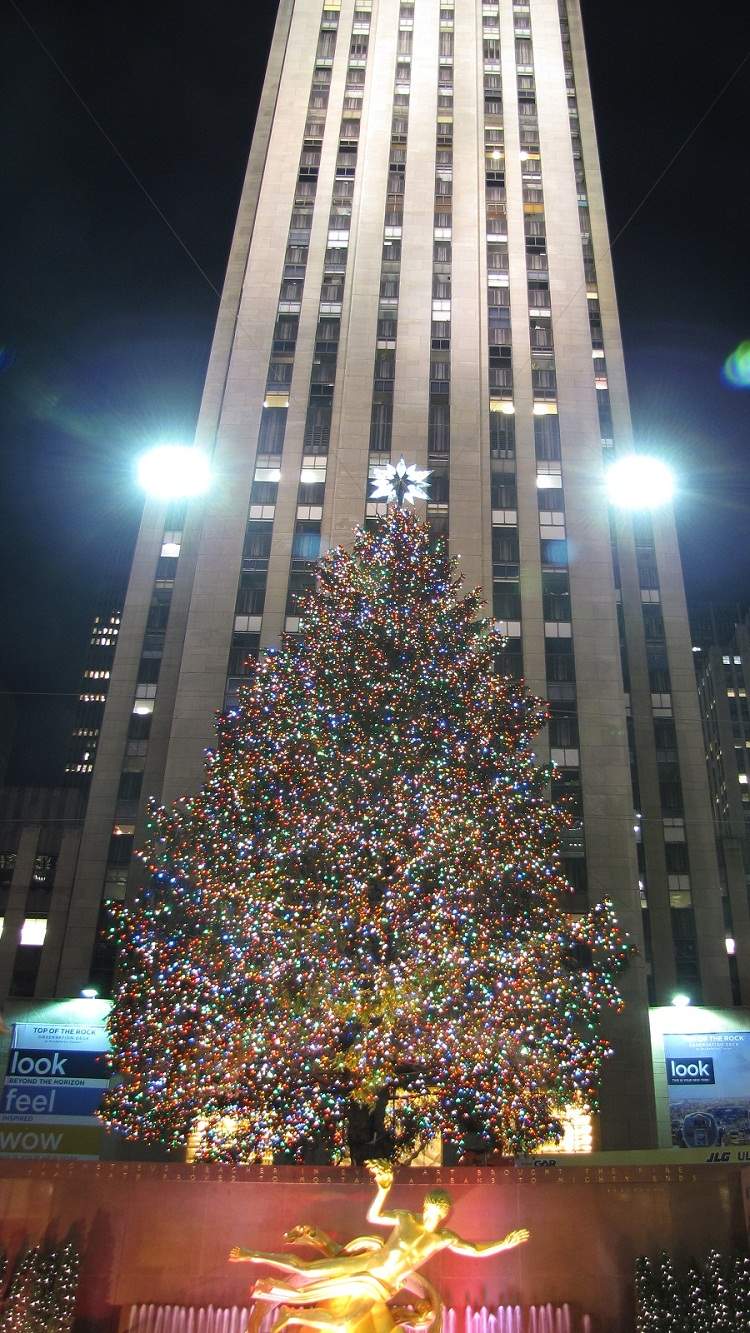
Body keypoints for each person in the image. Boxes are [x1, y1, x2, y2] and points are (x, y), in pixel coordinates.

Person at [230, 1159, 529, 1333]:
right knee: (308, 1269)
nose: (432, 1218)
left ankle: (290, 1316)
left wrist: (504, 1243)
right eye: (429, 1211)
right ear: (424, 1208)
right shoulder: (406, 1219)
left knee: (345, 1320)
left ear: (444, 1216)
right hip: (367, 1265)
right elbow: (373, 1215)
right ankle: (251, 1255)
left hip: (381, 1286)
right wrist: (383, 1190)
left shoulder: (443, 1238)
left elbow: (475, 1250)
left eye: (438, 1215)